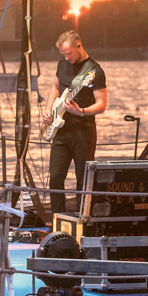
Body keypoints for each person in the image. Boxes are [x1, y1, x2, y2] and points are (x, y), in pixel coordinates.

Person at [49, 30, 107, 217]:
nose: (66, 57)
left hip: (83, 131)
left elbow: (102, 105)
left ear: (79, 46)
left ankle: (83, 220)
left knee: (83, 179)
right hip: (61, 130)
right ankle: (57, 219)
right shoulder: (62, 63)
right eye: (63, 54)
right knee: (55, 177)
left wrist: (81, 111)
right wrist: (49, 109)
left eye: (69, 53)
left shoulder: (95, 71)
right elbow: (56, 87)